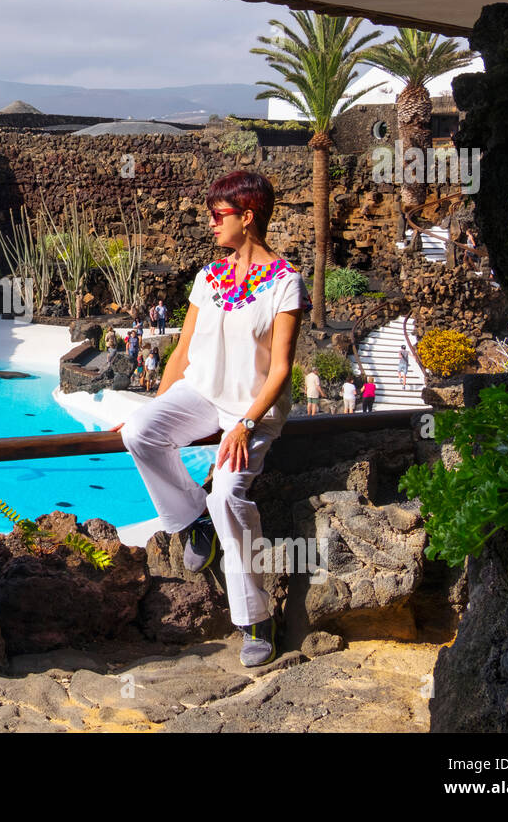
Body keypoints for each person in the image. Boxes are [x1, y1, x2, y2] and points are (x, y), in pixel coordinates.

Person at [112, 171, 311, 668]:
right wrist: (151, 407)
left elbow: (282, 368)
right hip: (200, 393)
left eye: (218, 214)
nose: (210, 223)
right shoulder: (209, 276)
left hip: (252, 408)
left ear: (248, 217)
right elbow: (182, 352)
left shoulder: (286, 283)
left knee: (228, 493)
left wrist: (245, 422)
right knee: (140, 433)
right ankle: (191, 518)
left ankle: (255, 618)